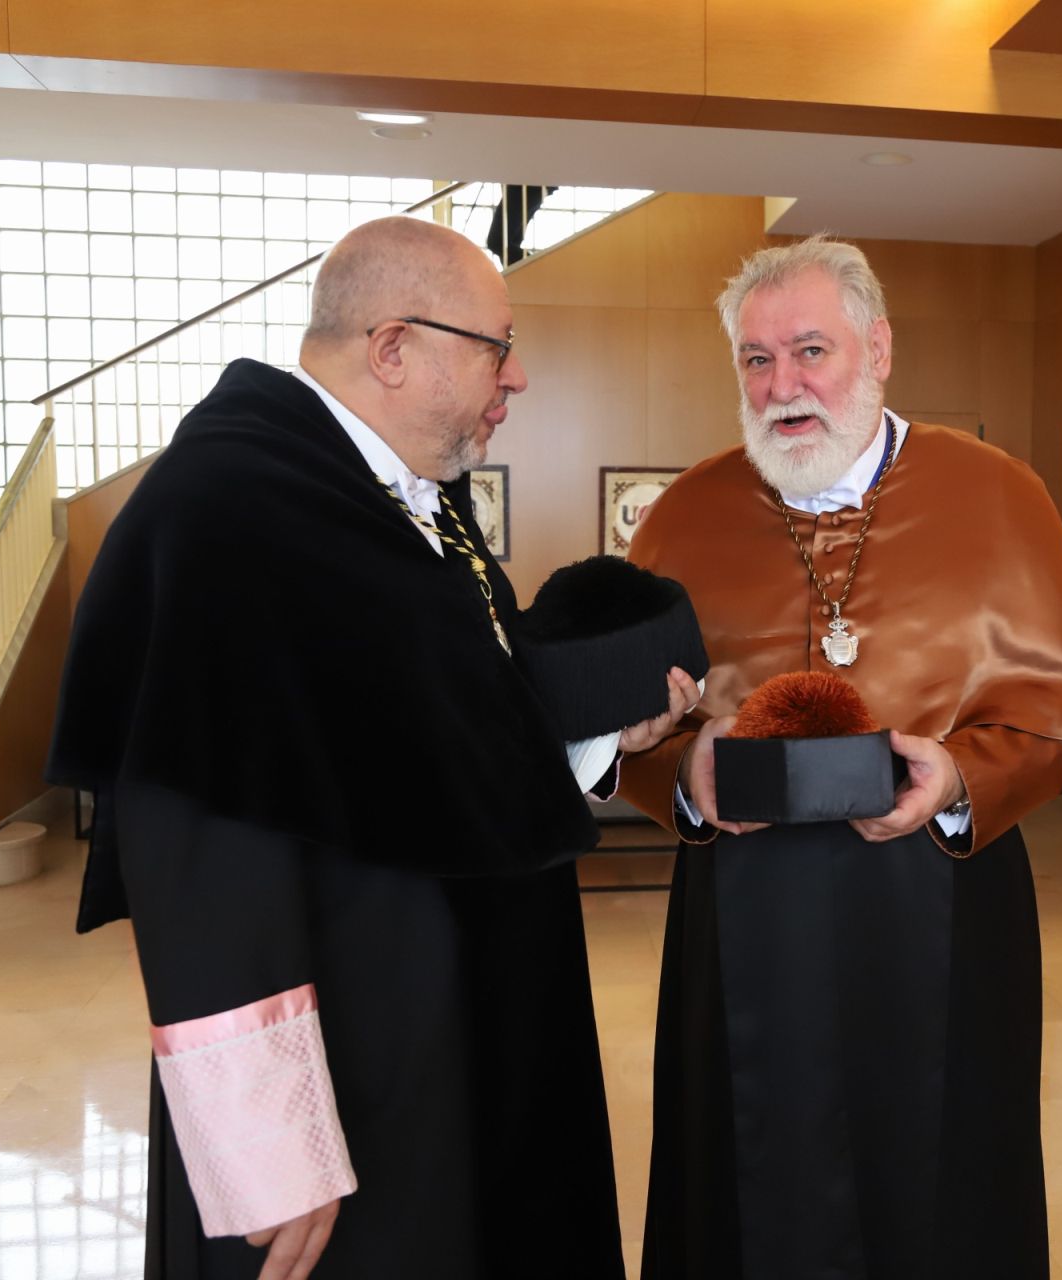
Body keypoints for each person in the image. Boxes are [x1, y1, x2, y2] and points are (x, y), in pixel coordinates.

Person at [49, 215, 696, 1279]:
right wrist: (267, 1139)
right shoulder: (228, 511)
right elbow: (195, 838)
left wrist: (591, 740)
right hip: (350, 1053)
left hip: (446, 1025)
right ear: (393, 347)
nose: (517, 374)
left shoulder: (407, 500)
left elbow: (439, 727)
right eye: (497, 344)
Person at [618, 235, 1062, 1280]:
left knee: (940, 1183)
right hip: (741, 910)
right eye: (756, 361)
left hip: (941, 900)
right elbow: (628, 730)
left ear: (878, 347)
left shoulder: (998, 494)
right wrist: (685, 779)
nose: (783, 385)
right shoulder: (684, 514)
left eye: (811, 350)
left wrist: (959, 779)